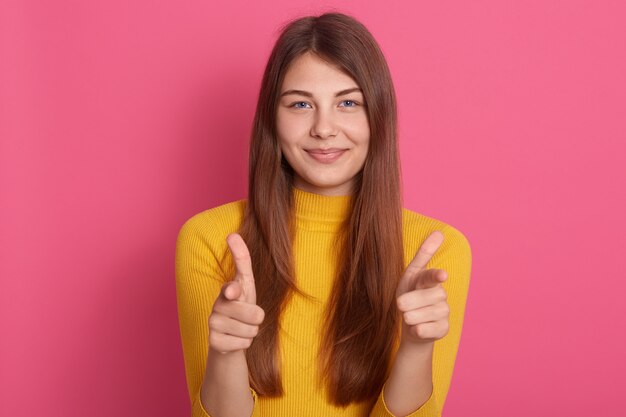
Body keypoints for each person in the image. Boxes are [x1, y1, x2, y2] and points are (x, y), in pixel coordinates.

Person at [175, 12, 471, 417]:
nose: (324, 128)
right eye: (300, 104)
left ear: (378, 117)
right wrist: (226, 354)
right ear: (271, 119)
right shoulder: (210, 238)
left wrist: (416, 347)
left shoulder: (435, 251)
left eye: (348, 103)